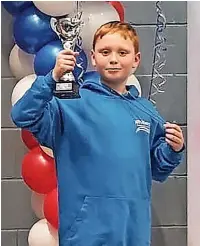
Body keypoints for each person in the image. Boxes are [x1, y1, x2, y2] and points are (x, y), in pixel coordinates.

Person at [11, 21, 185, 246]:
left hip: (133, 231)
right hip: (86, 232)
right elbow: (23, 115)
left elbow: (158, 169)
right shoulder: (70, 104)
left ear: (136, 60)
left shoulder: (146, 111)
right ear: (93, 58)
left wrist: (174, 148)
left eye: (122, 52)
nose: (113, 59)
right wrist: (51, 79)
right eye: (105, 52)